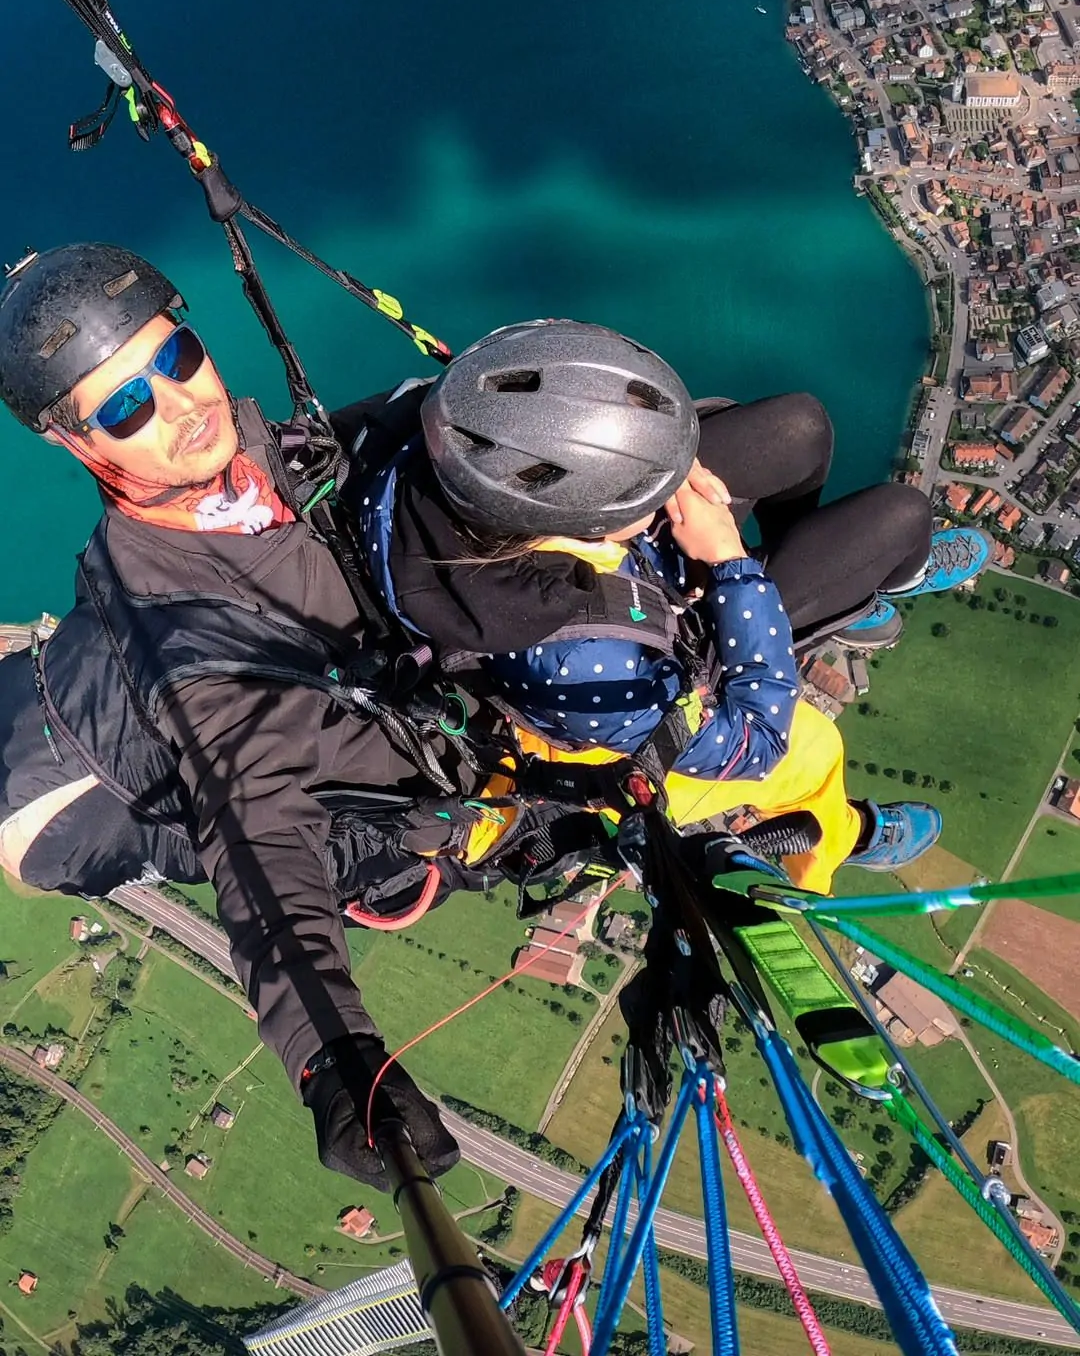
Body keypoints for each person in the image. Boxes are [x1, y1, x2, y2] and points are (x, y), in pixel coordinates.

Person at [0, 242, 469, 1194]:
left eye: (177, 358)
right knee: (413, 820)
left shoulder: (281, 458)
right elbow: (261, 842)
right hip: (74, 808)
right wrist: (333, 1057)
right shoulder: (173, 634)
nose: (182, 405)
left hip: (71, 700)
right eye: (127, 407)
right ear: (82, 446)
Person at [357, 319, 990, 888]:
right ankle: (846, 820)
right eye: (637, 495)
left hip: (620, 571)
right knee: (903, 522)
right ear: (590, 527)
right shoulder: (581, 668)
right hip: (638, 672)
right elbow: (758, 742)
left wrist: (648, 461)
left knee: (801, 427)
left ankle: (832, 590)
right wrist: (732, 567)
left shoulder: (443, 449)